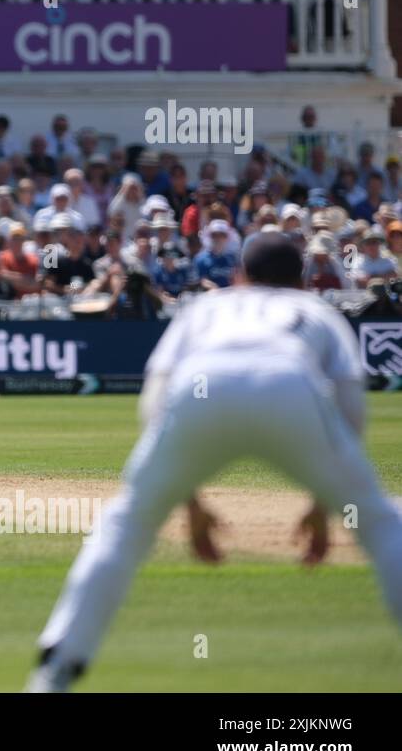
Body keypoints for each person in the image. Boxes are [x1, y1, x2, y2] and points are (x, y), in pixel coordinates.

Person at [27, 234, 402, 692]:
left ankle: (59, 665)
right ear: (303, 281)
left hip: (200, 388)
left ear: (239, 275)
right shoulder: (317, 312)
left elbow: (155, 400)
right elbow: (350, 410)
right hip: (290, 386)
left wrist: (187, 500)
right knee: (382, 523)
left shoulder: (208, 308)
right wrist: (330, 503)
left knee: (126, 521)